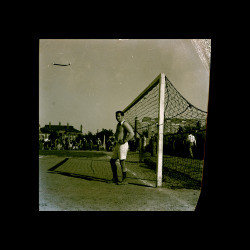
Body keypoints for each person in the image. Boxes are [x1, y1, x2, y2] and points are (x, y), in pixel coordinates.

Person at [110, 111, 135, 184]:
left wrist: (125, 140)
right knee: (112, 161)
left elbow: (132, 133)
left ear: (122, 116)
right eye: (116, 116)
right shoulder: (118, 124)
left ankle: (125, 180)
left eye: (119, 116)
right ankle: (115, 178)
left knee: (122, 162)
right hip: (118, 144)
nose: (117, 118)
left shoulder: (125, 123)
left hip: (123, 145)